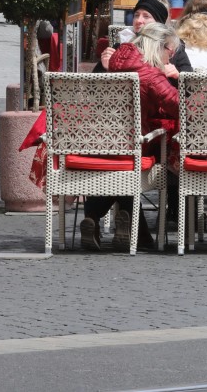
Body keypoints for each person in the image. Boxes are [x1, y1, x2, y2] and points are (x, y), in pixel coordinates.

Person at [80, 22, 180, 253]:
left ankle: (98, 220)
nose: (171, 57)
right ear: (160, 46)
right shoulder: (151, 74)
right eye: (170, 52)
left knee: (123, 164)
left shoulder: (113, 63)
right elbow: (180, 107)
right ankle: (131, 229)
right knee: (140, 158)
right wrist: (180, 78)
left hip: (95, 142)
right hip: (131, 147)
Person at [98, 0, 192, 79]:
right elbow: (92, 87)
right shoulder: (121, 47)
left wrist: (177, 76)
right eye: (136, 15)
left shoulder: (173, 48)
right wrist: (108, 69)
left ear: (158, 23)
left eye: (146, 16)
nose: (139, 20)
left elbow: (191, 86)